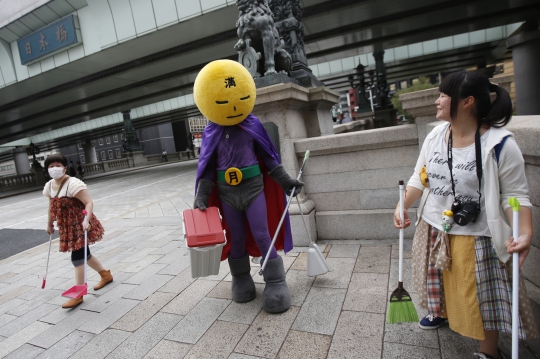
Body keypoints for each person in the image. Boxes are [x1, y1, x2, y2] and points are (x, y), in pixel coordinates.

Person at [394, 71, 538, 359]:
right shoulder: (436, 135)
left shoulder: (500, 145)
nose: (437, 101)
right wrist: (403, 204)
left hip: (478, 236)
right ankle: (440, 312)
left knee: (480, 297)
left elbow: (514, 196)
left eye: (444, 96)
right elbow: (419, 177)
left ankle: (488, 352)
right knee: (438, 281)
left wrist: (525, 231)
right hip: (435, 226)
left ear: (467, 101)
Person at [193, 59, 303, 314]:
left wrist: (286, 182)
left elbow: (268, 159)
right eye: (221, 102)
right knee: (237, 238)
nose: (230, 106)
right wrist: (203, 194)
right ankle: (241, 278)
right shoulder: (212, 132)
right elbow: (208, 168)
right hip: (227, 193)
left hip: (254, 189)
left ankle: (275, 281)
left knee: (263, 234)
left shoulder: (252, 125)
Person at [44, 154, 113, 309]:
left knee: (77, 258)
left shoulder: (73, 184)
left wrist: (86, 221)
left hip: (81, 225)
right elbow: (51, 207)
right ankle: (105, 275)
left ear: (65, 167)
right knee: (85, 255)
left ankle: (79, 294)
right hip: (67, 227)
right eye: (50, 166)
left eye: (57, 165)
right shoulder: (49, 186)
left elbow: (88, 202)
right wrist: (49, 224)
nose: (54, 168)